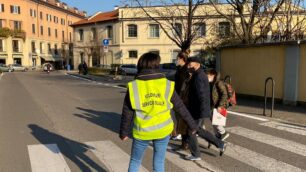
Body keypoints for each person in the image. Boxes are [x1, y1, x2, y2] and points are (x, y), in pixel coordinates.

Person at [119, 52, 198, 172]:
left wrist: (123, 132)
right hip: (163, 130)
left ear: (140, 65)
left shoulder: (134, 86)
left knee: (135, 161)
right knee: (159, 161)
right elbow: (180, 107)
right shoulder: (166, 84)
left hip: (142, 132)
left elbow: (127, 111)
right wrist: (192, 125)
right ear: (157, 65)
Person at [185, 56, 227, 161]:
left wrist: (201, 111)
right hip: (198, 109)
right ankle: (220, 144)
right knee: (197, 130)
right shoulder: (197, 74)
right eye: (188, 63)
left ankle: (196, 154)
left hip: (199, 110)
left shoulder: (199, 76)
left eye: (190, 63)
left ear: (197, 64)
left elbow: (202, 95)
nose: (188, 65)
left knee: (192, 131)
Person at [171, 51, 189, 150]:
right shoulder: (180, 69)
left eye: (177, 58)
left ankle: (185, 143)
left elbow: (183, 86)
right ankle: (184, 141)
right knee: (179, 119)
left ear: (182, 59)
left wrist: (180, 98)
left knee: (183, 121)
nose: (176, 60)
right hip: (178, 97)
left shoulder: (185, 70)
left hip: (182, 99)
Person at [207, 69, 230, 141]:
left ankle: (223, 133)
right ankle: (218, 136)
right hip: (212, 105)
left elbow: (224, 94)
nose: (206, 76)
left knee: (217, 122)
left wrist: (220, 105)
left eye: (207, 75)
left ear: (212, 75)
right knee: (213, 121)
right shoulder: (210, 83)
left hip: (219, 105)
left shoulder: (219, 83)